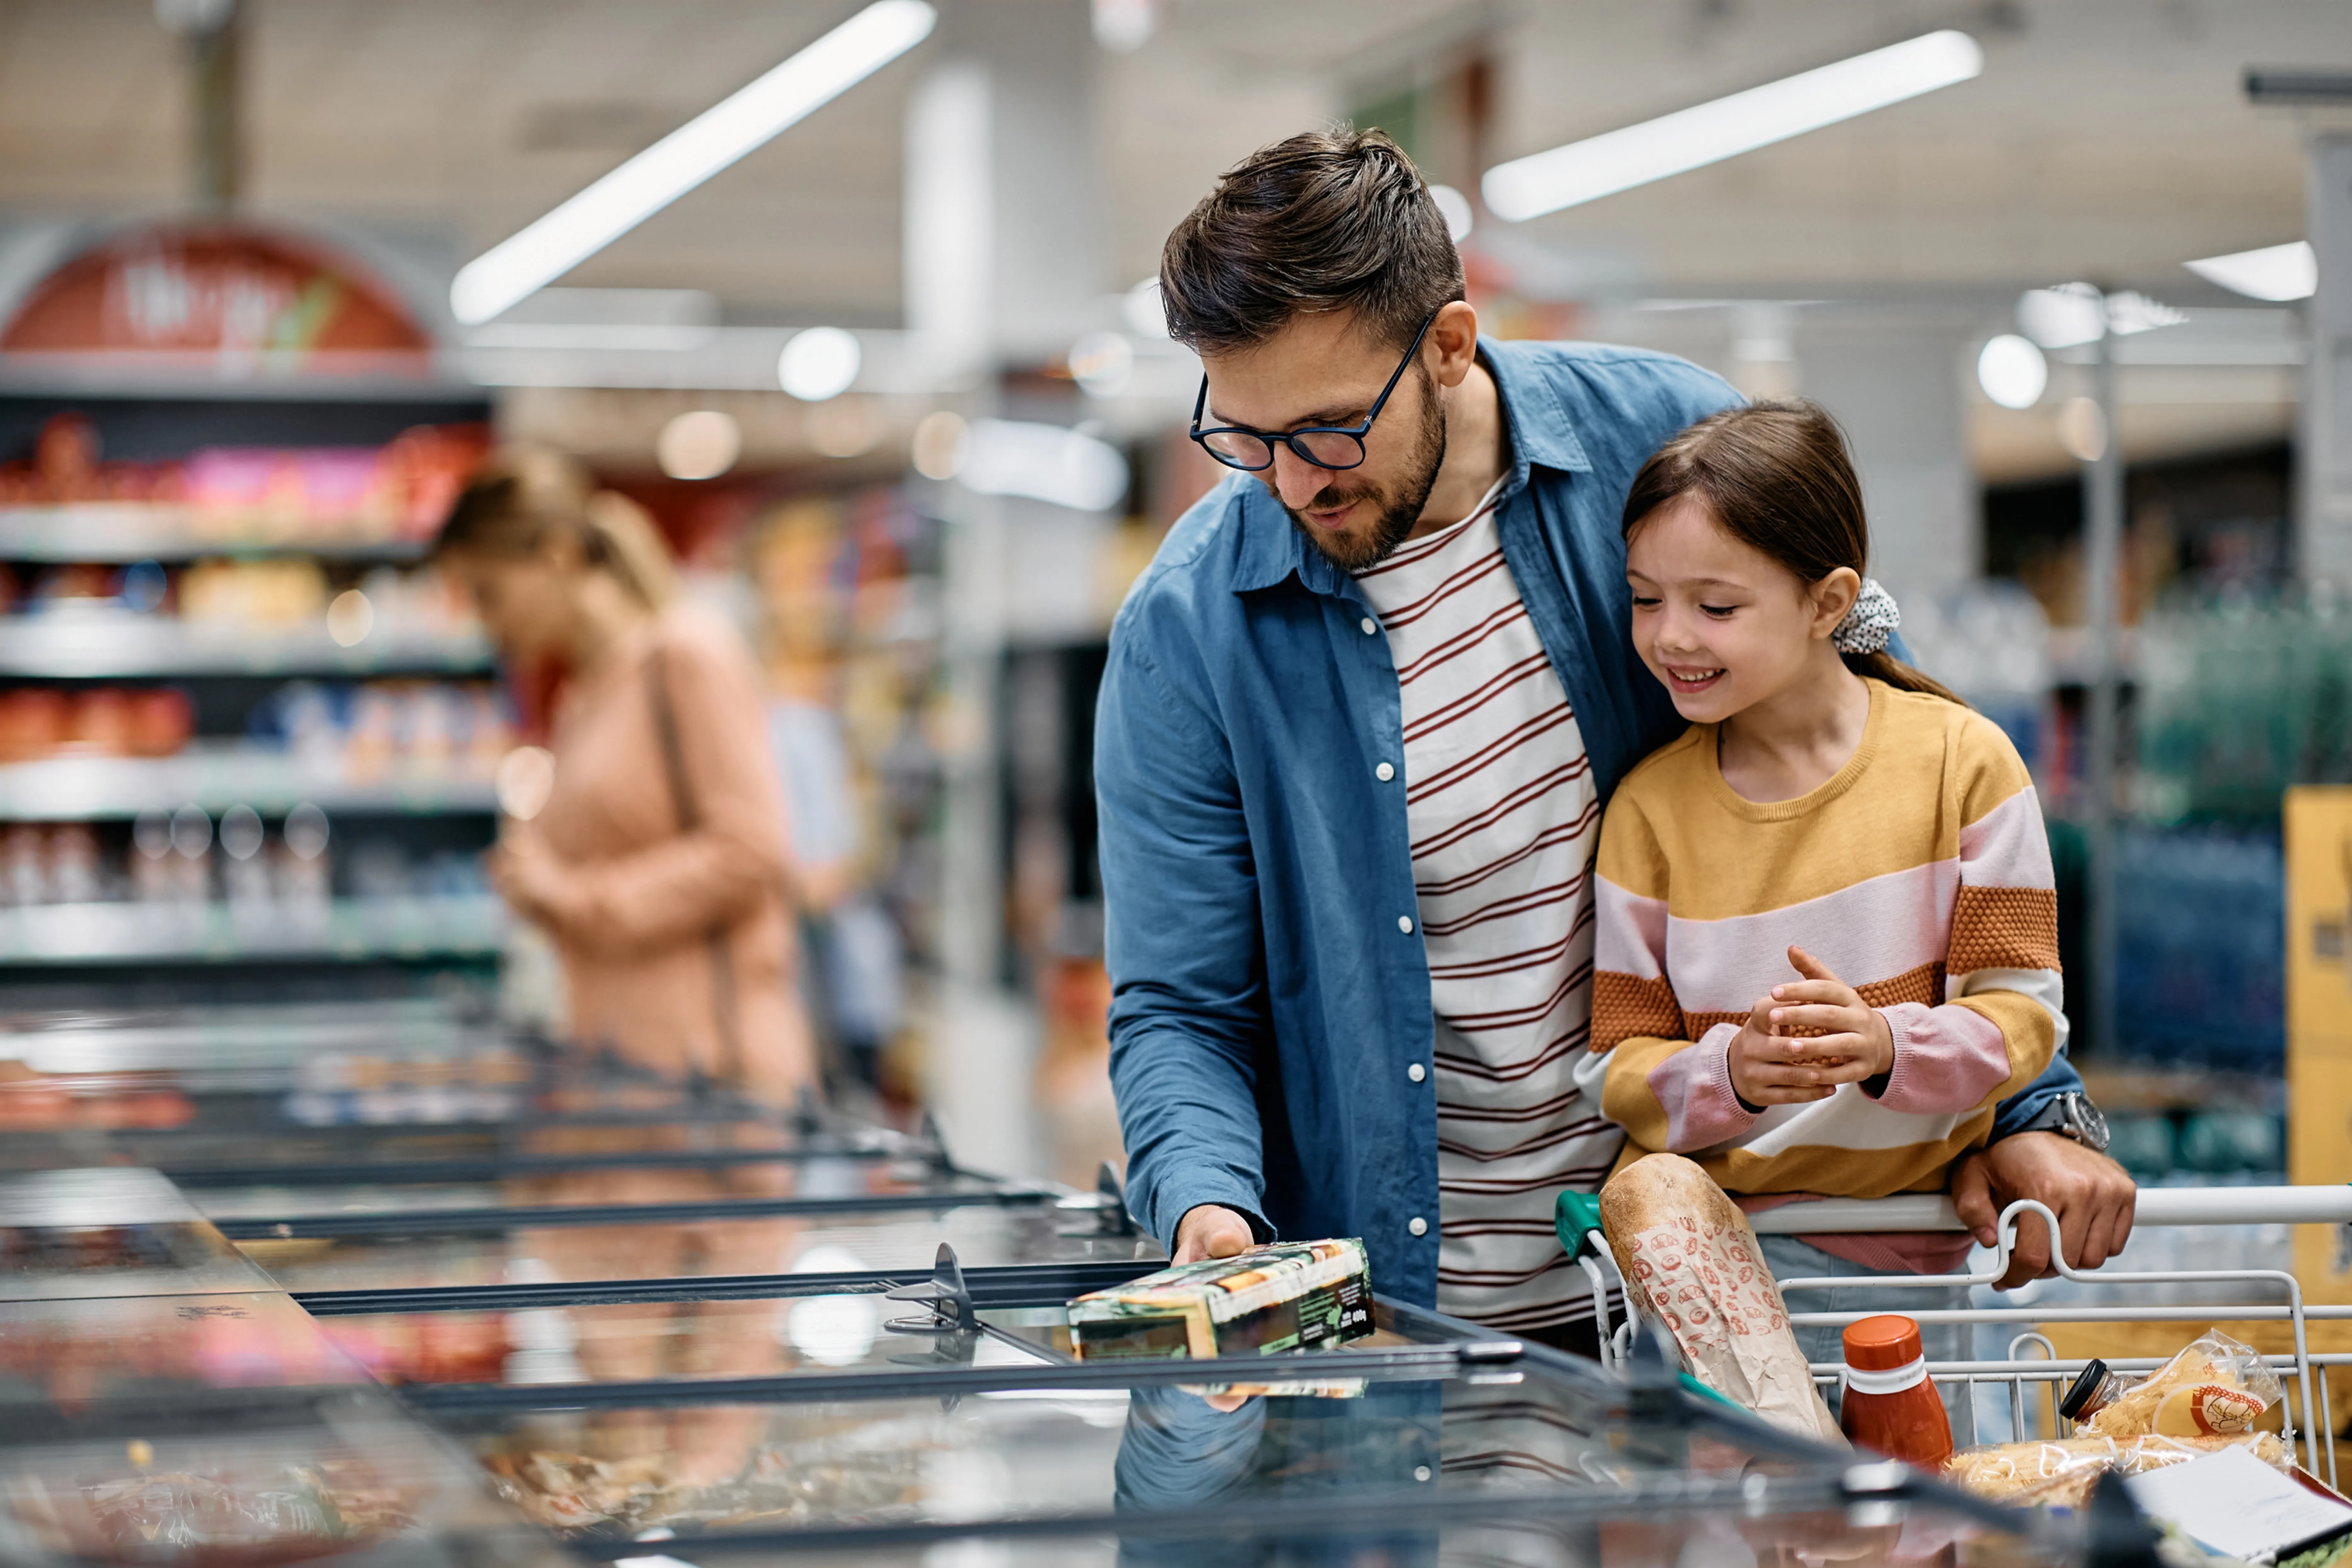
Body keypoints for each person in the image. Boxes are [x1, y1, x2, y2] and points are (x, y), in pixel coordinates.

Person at [1095, 127, 2132, 1354]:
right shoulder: (1188, 629)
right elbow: (1176, 1003)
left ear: (1445, 345)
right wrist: (1206, 1206)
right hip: (1389, 1319)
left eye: (1326, 429)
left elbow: (1876, 760)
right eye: (1245, 437)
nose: (1286, 484)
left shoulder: (1666, 446)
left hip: (1716, 1291)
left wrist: (2028, 1103)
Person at [1591, 401, 2066, 1375]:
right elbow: (1614, 1066)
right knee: (1725, 1533)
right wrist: (1728, 1072)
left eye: (1714, 606)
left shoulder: (1959, 764)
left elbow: (2021, 1019)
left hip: (1903, 1273)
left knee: (1905, 1527)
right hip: (1695, 1272)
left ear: (1825, 600)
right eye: (1645, 598)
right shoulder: (1647, 811)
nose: (1670, 636)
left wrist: (1889, 1043)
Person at [434, 445, 816, 1104]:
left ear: (556, 555)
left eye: (488, 592)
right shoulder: (585, 694)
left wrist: (573, 897)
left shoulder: (685, 657)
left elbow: (751, 849)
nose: (485, 622)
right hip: (621, 1072)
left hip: (710, 1081)